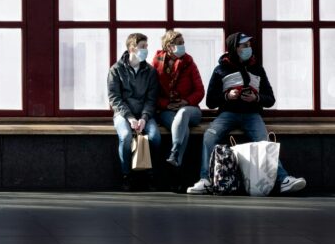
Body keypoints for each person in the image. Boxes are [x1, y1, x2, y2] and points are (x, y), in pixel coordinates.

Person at [186, 32, 307, 195]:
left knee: (265, 141)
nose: (248, 48)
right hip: (227, 113)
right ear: (234, 48)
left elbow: (270, 99)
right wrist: (227, 96)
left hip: (252, 115)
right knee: (209, 136)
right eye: (244, 45)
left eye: (249, 45)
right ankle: (205, 180)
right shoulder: (220, 69)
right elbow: (210, 101)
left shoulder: (257, 68)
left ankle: (283, 180)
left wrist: (256, 97)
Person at [108, 32, 161, 190]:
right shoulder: (116, 70)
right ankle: (126, 175)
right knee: (125, 137)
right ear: (132, 48)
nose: (146, 50)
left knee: (155, 137)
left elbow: (151, 99)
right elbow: (114, 98)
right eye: (142, 47)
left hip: (145, 114)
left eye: (146, 46)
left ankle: (150, 174)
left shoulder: (150, 71)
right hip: (123, 115)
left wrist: (144, 118)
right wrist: (130, 118)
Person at [153, 30, 204, 170]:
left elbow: (200, 91)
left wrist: (186, 102)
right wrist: (167, 105)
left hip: (190, 109)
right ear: (169, 46)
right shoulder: (157, 64)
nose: (183, 46)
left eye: (183, 43)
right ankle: (177, 166)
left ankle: (174, 150)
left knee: (182, 114)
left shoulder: (189, 62)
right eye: (179, 43)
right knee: (183, 129)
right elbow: (152, 94)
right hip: (167, 110)